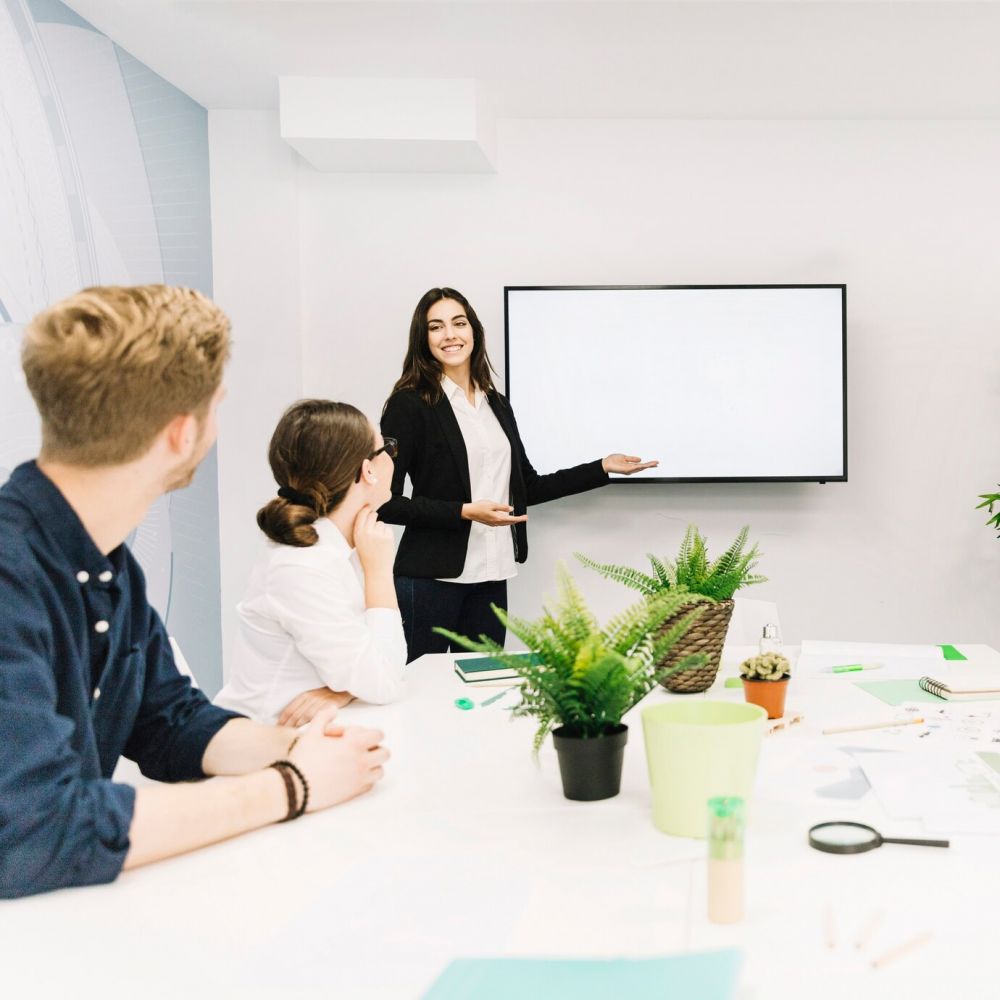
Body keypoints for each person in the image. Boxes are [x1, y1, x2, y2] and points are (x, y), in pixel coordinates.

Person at [0, 286, 388, 899]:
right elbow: (33, 828)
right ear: (182, 434)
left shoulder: (108, 565)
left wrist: (295, 745)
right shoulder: (11, 576)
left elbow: (170, 722)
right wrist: (291, 784)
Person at [380, 286, 657, 662]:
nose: (450, 335)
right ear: (423, 338)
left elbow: (529, 486)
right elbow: (385, 502)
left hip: (491, 575)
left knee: (481, 690)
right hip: (430, 578)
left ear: (474, 331)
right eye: (436, 327)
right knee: (413, 689)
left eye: (458, 323)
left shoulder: (496, 403)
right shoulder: (410, 403)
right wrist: (463, 512)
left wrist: (601, 468)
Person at [215, 400, 406, 725]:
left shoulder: (328, 547)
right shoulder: (303, 565)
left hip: (308, 738)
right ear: (368, 471)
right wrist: (379, 573)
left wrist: (344, 690)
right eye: (386, 447)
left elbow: (369, 667)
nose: (392, 455)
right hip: (266, 747)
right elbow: (385, 680)